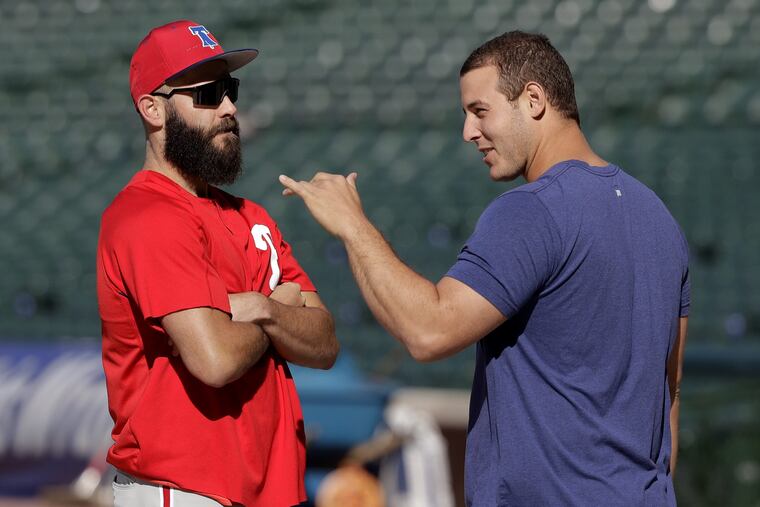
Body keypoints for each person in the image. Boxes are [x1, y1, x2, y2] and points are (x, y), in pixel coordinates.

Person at [279, 31, 689, 506]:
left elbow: (428, 331)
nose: (468, 132)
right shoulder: (660, 219)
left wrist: (353, 225)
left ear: (533, 99)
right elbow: (669, 390)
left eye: (479, 110)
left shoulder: (533, 210)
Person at [97, 20, 338, 507]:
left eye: (230, 89)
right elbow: (216, 359)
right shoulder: (147, 214)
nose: (229, 108)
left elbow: (325, 344)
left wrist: (259, 309)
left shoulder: (251, 216)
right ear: (152, 109)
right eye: (207, 94)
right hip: (185, 489)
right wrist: (280, 307)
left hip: (269, 489)